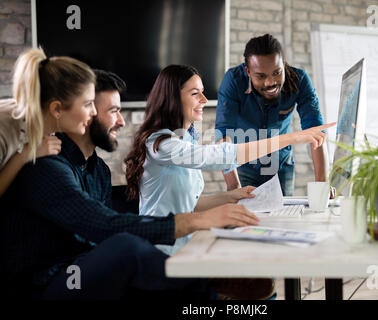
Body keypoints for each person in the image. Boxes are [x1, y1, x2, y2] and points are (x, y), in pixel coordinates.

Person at [1, 68, 264, 300]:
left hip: (84, 268)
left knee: (132, 260)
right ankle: (213, 294)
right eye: (113, 111)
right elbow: (101, 225)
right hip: (47, 283)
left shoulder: (98, 170)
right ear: (88, 112)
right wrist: (196, 220)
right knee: (126, 247)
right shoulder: (46, 166)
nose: (122, 120)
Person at [125, 64, 335, 256]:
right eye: (195, 93)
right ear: (172, 98)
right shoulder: (160, 144)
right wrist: (293, 137)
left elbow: (191, 205)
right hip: (160, 252)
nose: (204, 100)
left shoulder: (185, 139)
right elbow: (219, 156)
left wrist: (231, 196)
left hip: (185, 244)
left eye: (203, 92)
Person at [215, 34, 332, 197]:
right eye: (261, 76)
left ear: (283, 64)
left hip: (281, 165)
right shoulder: (233, 81)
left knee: (283, 219)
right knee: (245, 218)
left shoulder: (299, 80)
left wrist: (322, 186)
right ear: (248, 71)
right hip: (244, 166)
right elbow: (224, 135)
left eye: (277, 73)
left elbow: (316, 133)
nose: (270, 82)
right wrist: (234, 189)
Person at [0, 47, 98, 196]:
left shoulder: (45, 122)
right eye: (87, 104)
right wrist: (25, 155)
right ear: (57, 109)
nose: (94, 112)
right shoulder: (4, 131)